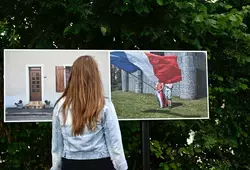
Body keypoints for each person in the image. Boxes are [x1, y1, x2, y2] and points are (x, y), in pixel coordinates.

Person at [50, 55, 128, 170]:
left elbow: (57, 145)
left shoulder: (61, 106)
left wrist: (56, 167)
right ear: (95, 76)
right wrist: (122, 167)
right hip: (101, 163)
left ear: (73, 76)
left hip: (71, 164)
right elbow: (114, 143)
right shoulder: (104, 105)